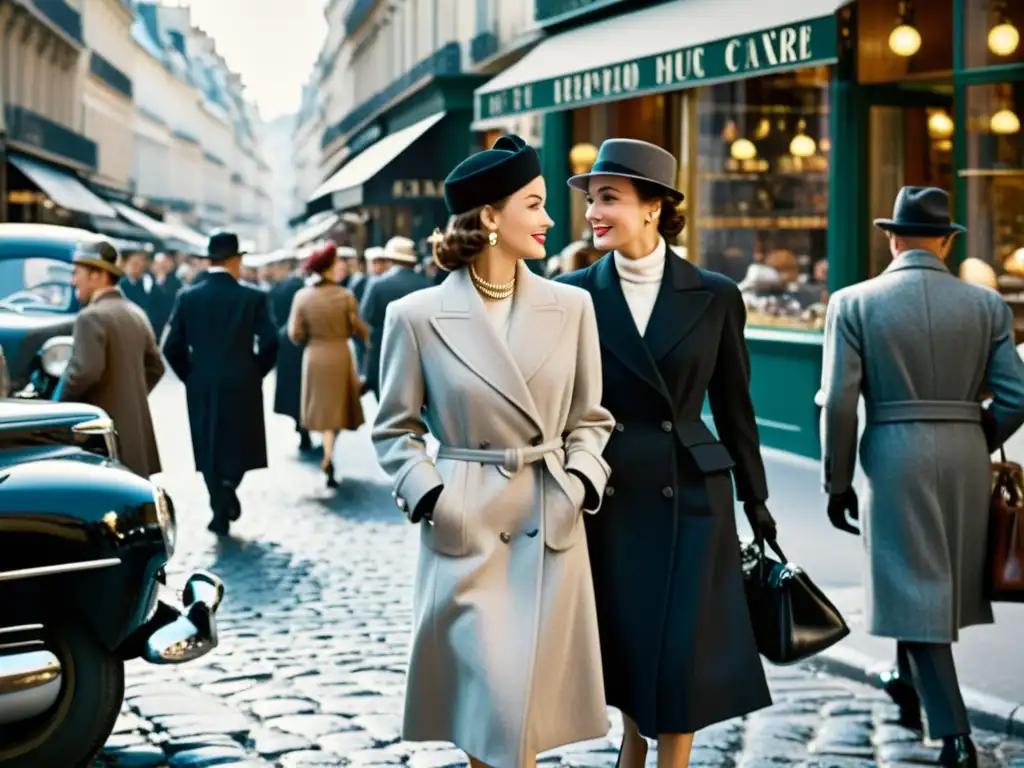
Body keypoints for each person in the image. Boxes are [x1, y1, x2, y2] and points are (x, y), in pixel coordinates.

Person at [371, 135, 614, 768]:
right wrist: (434, 498)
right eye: (534, 205)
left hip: (547, 517)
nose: (551, 220)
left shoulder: (574, 306)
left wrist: (580, 483)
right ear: (488, 218)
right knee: (493, 704)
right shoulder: (415, 315)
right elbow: (394, 429)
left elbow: (592, 418)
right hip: (468, 525)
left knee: (519, 713)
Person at [557, 139, 775, 768]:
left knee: (682, 646)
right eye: (592, 200)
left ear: (654, 206)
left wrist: (756, 501)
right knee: (627, 639)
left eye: (609, 199)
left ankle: (669, 760)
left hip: (693, 495)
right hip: (609, 492)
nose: (593, 213)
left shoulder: (715, 294)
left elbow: (735, 406)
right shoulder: (571, 295)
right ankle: (632, 741)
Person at [819, 187, 1024, 768]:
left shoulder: (853, 302)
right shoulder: (985, 306)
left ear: (892, 238)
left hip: (894, 452)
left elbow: (838, 402)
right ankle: (904, 682)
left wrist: (836, 481)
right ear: (946, 241)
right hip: (965, 453)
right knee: (921, 578)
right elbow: (1017, 396)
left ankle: (954, 733)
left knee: (916, 580)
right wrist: (974, 436)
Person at [163, 231, 279, 535]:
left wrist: (190, 374)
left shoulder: (188, 296)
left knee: (208, 443)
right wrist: (255, 371)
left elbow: (170, 346)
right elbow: (270, 342)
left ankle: (218, 504)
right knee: (240, 442)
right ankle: (229, 484)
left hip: (202, 379)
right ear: (235, 260)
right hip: (242, 379)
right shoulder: (253, 297)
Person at [59, 239, 164, 477]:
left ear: (98, 275)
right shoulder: (135, 312)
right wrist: (128, 396)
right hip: (134, 434)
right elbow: (156, 367)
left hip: (101, 436)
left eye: (78, 273)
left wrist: (58, 406)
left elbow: (84, 372)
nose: (74, 281)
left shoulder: (91, 317)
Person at [288, 242, 369, 487]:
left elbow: (295, 334)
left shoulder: (302, 296)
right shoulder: (346, 296)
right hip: (339, 354)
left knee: (322, 409)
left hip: (315, 356)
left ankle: (327, 450)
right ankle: (329, 450)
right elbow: (358, 328)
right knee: (338, 409)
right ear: (330, 267)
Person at [359, 236, 432, 399]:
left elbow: (366, 315)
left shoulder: (378, 284)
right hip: (419, 346)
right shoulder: (426, 283)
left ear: (390, 259)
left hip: (384, 346)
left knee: (386, 394)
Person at [267, 252, 312, 453]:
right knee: (306, 386)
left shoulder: (279, 288)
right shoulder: (305, 287)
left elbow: (272, 316)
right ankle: (306, 422)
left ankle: (300, 424)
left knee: (293, 386)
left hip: (286, 342)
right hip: (306, 341)